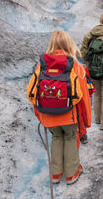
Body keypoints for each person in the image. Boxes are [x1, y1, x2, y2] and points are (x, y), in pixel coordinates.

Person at [26, 31, 91, 185]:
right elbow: (83, 98)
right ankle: (72, 173)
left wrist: (40, 113)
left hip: (48, 115)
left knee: (56, 138)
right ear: (69, 44)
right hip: (69, 114)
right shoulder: (75, 65)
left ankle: (55, 174)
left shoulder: (42, 65)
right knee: (70, 138)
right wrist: (86, 121)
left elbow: (31, 93)